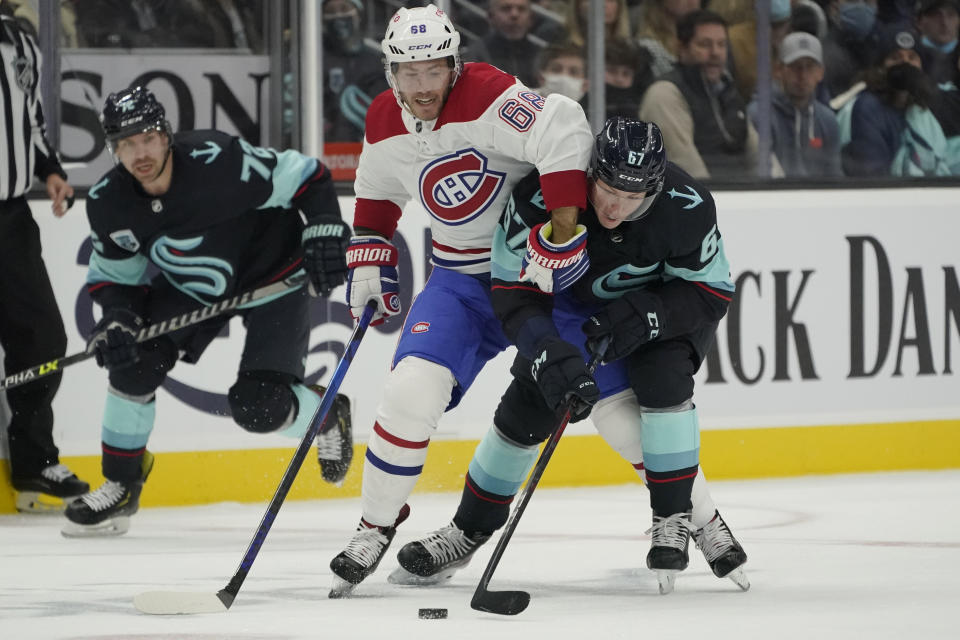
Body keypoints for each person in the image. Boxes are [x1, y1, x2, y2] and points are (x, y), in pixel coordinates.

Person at [389, 117, 750, 595]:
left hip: (664, 310)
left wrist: (650, 314)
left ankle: (677, 518)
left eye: (634, 196)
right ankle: (467, 531)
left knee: (663, 381)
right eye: (608, 190)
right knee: (528, 407)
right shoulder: (542, 194)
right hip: (573, 310)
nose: (617, 207)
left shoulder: (688, 206)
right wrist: (546, 349)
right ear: (590, 172)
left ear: (657, 188)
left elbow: (711, 292)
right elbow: (512, 292)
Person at [328, 4, 593, 596]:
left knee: (619, 410)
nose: (423, 87)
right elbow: (374, 191)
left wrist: (561, 231)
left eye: (434, 70)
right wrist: (369, 248)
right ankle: (376, 525)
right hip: (462, 283)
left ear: (454, 64)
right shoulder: (382, 118)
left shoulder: (486, 93)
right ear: (391, 73)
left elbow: (566, 127)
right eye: (409, 73)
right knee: (407, 393)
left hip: (538, 276)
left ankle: (692, 522)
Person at [61, 86, 354, 537]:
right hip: (193, 288)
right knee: (132, 362)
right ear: (113, 149)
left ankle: (326, 412)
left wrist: (324, 229)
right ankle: (121, 483)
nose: (139, 153)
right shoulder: (108, 202)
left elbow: (307, 176)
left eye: (147, 138)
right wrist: (118, 318)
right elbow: (116, 278)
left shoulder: (220, 160)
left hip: (272, 276)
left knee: (258, 408)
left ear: (166, 135)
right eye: (125, 144)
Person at [1, 4, 88, 512]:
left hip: (10, 217)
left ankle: (34, 461)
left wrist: (49, 167)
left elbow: (29, 114)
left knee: (43, 339)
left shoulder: (20, 38)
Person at [638, 10, 760, 180]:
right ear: (681, 48)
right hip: (704, 200)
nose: (715, 53)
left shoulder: (728, 92)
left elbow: (761, 159)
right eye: (705, 44)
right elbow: (687, 170)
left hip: (744, 197)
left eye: (722, 44)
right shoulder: (665, 94)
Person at [839, 28, 955, 176]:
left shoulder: (922, 113)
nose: (905, 63)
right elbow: (871, 176)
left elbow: (941, 165)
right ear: (880, 66)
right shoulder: (862, 108)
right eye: (896, 57)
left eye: (912, 57)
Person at [748, 31, 843, 177]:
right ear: (778, 70)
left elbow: (834, 176)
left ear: (821, 72)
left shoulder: (828, 120)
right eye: (795, 67)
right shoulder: (758, 115)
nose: (803, 75)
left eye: (810, 67)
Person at [322, 0, 388, 143]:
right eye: (331, 12)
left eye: (344, 8)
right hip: (328, 151)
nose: (338, 16)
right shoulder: (313, 61)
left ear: (358, 14)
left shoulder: (378, 58)